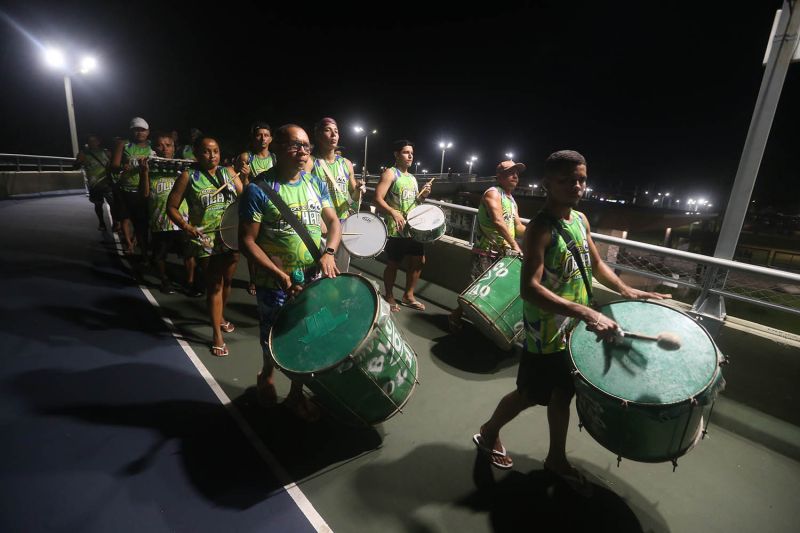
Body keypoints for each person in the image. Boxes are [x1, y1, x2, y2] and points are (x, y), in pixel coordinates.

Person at [472, 150, 670, 491]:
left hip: (572, 330)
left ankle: (556, 458)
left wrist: (628, 290)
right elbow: (530, 289)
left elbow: (596, 265)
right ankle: (489, 432)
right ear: (547, 184)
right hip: (546, 333)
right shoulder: (540, 229)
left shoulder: (580, 220)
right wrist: (587, 312)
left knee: (563, 394)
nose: (576, 186)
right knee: (528, 395)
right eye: (566, 180)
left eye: (581, 179)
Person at [239, 124, 341, 420]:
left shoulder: (315, 183)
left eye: (307, 146)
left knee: (308, 336)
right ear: (277, 148)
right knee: (274, 336)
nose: (303, 151)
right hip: (275, 282)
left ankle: (296, 396)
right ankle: (267, 374)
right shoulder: (258, 190)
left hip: (312, 278)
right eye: (295, 145)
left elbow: (334, 222)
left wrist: (329, 253)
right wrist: (280, 275)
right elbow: (247, 242)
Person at [167, 136, 243, 356]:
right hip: (205, 239)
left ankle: (220, 316)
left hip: (230, 236)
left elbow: (245, 197)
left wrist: (245, 178)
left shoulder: (229, 173)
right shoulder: (189, 176)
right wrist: (186, 226)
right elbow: (171, 207)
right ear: (196, 154)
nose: (212, 156)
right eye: (206, 151)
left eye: (216, 151)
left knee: (227, 281)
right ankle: (216, 335)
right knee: (215, 285)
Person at [449, 159, 527, 331]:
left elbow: (518, 226)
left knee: (490, 290)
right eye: (510, 173)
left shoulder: (511, 199)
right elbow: (498, 221)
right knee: (476, 289)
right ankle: (455, 316)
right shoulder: (493, 193)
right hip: (485, 251)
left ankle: (480, 324)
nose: (515, 176)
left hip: (502, 253)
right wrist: (515, 245)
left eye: (516, 173)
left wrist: (537, 233)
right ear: (499, 176)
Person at [374, 140, 431, 312]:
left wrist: (423, 196)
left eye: (412, 153)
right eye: (406, 152)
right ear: (396, 154)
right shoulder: (390, 174)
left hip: (413, 228)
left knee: (419, 261)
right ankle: (389, 296)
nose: (410, 156)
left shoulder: (412, 178)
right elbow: (377, 199)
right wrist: (393, 211)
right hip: (396, 228)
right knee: (394, 263)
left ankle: (408, 296)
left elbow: (414, 202)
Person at [139, 131, 197, 294]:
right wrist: (144, 173)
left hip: (181, 221)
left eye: (168, 145)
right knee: (160, 255)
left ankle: (190, 282)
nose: (164, 149)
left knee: (188, 254)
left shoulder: (184, 170)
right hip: (160, 221)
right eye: (160, 145)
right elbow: (144, 194)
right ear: (154, 148)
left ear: (174, 147)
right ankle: (165, 281)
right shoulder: (150, 169)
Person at [308, 117, 364, 272]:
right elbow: (303, 194)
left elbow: (353, 198)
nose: (333, 135)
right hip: (321, 226)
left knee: (341, 271)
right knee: (320, 272)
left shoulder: (346, 163)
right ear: (318, 135)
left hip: (343, 225)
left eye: (336, 131)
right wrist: (319, 220)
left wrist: (358, 189)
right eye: (328, 130)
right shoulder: (310, 162)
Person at [235, 122, 276, 295]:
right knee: (253, 244)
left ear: (271, 138)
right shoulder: (246, 157)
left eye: (266, 135)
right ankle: (253, 279)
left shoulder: (275, 159)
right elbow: (241, 189)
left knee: (271, 245)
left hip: (272, 207)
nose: (263, 138)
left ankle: (272, 276)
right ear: (253, 138)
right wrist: (244, 177)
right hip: (253, 206)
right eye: (259, 135)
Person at [110, 117, 154, 256]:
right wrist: (123, 167)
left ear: (148, 131)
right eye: (136, 130)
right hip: (126, 189)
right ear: (131, 131)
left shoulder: (152, 146)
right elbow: (114, 165)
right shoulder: (124, 144)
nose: (139, 133)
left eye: (143, 130)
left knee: (142, 223)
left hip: (145, 190)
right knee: (125, 218)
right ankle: (129, 244)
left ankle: (140, 246)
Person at [75, 134, 113, 231]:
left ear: (99, 141)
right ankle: (102, 223)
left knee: (113, 204)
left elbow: (115, 164)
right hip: (94, 185)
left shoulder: (106, 152)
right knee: (98, 205)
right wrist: (79, 162)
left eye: (94, 141)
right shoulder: (83, 153)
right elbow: (75, 166)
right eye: (90, 141)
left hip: (107, 183)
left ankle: (116, 223)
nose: (92, 143)